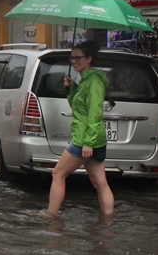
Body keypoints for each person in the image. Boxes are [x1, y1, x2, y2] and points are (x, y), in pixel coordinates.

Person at [49, 40, 114, 216]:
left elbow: (95, 113)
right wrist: (71, 89)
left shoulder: (94, 82)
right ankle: (107, 222)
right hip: (91, 139)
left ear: (89, 59)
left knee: (58, 174)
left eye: (78, 57)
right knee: (99, 182)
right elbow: (79, 109)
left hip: (84, 138)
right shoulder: (85, 81)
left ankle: (50, 216)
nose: (74, 61)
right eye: (72, 58)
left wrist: (88, 142)